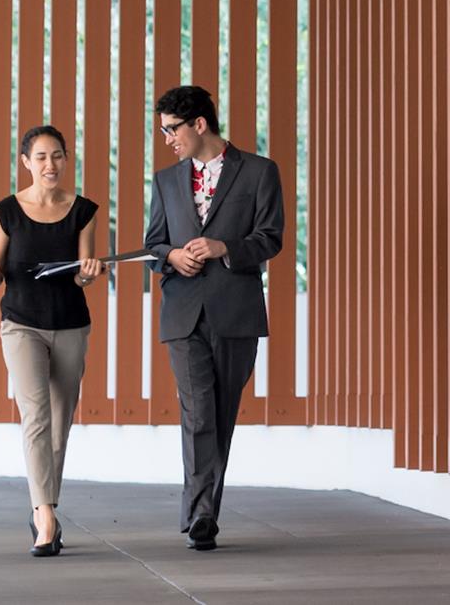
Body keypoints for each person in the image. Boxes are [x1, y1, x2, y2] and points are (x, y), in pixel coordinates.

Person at [143, 85, 284, 551]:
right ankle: (201, 513)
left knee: (220, 414)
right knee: (198, 409)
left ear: (198, 124)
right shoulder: (165, 181)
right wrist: (172, 257)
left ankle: (203, 508)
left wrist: (226, 248)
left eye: (171, 130)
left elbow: (270, 238)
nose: (167, 139)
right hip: (183, 312)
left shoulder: (261, 172)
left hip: (237, 313)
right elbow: (152, 246)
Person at [0, 125, 105, 557]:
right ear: (26, 163)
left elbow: (81, 274)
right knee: (35, 416)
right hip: (21, 325)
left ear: (66, 159)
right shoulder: (5, 212)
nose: (50, 165)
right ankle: (44, 516)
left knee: (60, 423)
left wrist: (89, 273)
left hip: (71, 324)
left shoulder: (84, 211)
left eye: (57, 155)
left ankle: (46, 506)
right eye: (40, 157)